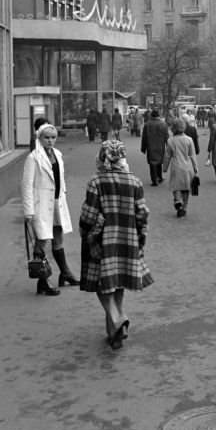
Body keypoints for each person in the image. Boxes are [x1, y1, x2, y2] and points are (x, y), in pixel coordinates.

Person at [78, 140, 153, 350]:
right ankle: (113, 333)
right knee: (118, 282)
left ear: (102, 158)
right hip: (128, 239)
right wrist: (141, 239)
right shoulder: (135, 182)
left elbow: (89, 215)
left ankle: (118, 319)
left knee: (103, 284)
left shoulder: (96, 182)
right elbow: (142, 214)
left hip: (103, 241)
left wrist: (85, 233)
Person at [21, 124, 78, 296]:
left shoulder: (57, 154)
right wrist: (29, 211)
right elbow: (26, 185)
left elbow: (60, 177)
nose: (50, 141)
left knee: (58, 237)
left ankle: (65, 273)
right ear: (40, 138)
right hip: (41, 205)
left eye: (53, 137)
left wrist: (64, 192)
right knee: (42, 241)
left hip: (57, 203)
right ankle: (43, 281)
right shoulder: (33, 158)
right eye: (47, 137)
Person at [163, 117, 198, 218]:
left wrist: (165, 167)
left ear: (173, 128)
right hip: (188, 167)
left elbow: (167, 156)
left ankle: (178, 200)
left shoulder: (171, 141)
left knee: (176, 186)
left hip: (176, 166)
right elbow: (192, 155)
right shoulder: (189, 140)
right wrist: (196, 168)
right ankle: (184, 207)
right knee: (186, 188)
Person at [140, 109, 169, 186]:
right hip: (161, 146)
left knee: (152, 163)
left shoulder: (147, 124)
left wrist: (143, 148)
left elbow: (144, 137)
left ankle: (154, 180)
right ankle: (159, 177)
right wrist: (168, 146)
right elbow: (167, 137)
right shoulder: (163, 124)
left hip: (151, 147)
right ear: (158, 115)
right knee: (159, 162)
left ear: (151, 115)